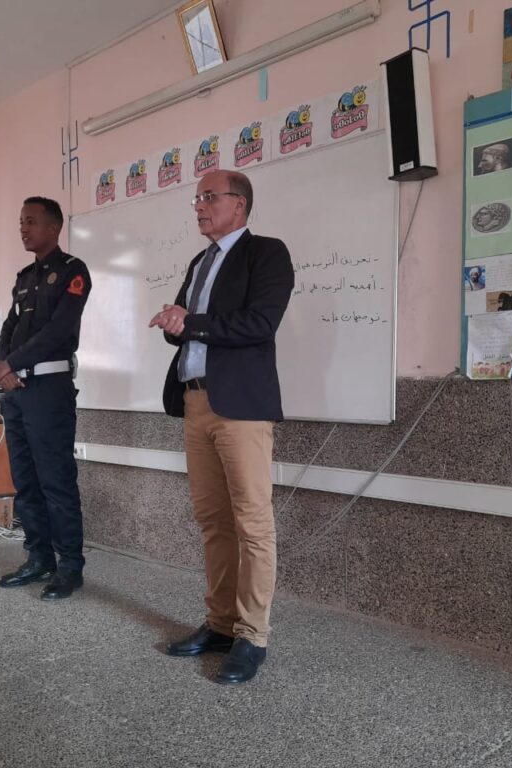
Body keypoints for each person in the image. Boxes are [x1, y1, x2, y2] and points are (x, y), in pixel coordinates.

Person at [148, 169, 294, 685]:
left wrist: (190, 322)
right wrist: (174, 323)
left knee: (252, 522)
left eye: (209, 197)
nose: (199, 206)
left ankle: (252, 635)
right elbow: (187, 330)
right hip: (194, 401)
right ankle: (220, 623)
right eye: (197, 199)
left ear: (240, 204)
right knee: (213, 520)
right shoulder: (200, 261)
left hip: (241, 408)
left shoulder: (266, 253)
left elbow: (260, 323)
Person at [0, 196, 91, 600]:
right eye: (21, 221)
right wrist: (3, 366)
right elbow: (9, 326)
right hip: (16, 392)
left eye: (31, 221)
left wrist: (11, 363)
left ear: (54, 227)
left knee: (56, 480)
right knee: (25, 480)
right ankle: (38, 557)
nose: (23, 228)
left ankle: (69, 566)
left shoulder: (73, 271)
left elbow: (57, 331)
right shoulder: (24, 278)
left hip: (49, 390)